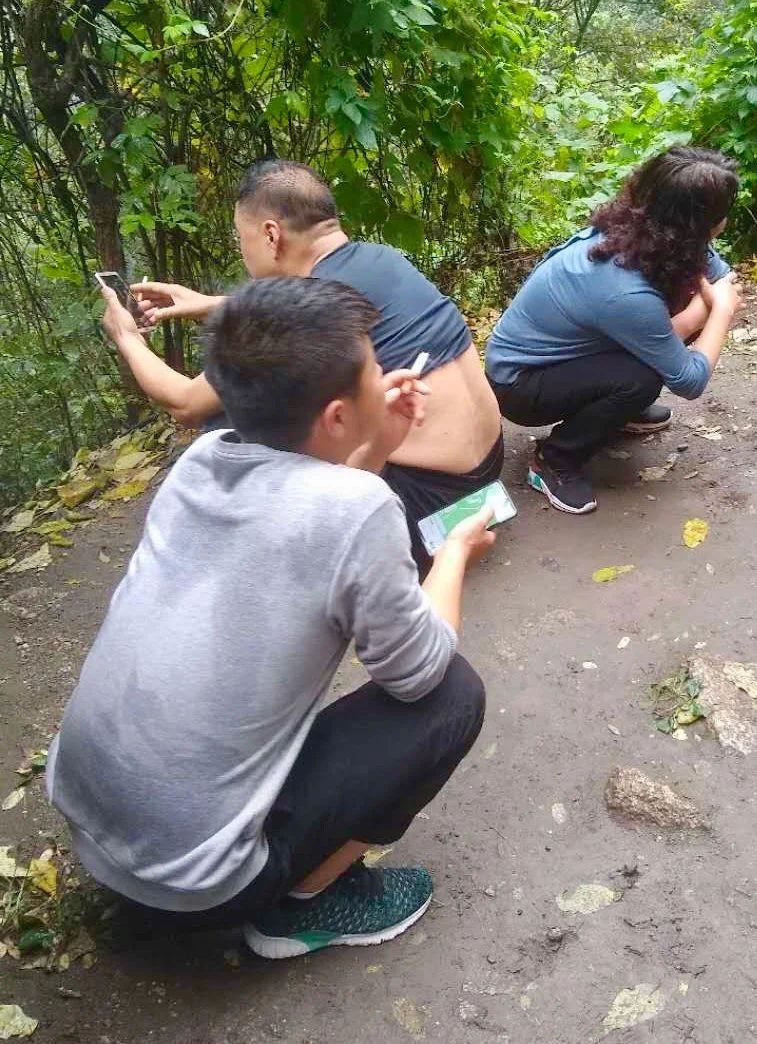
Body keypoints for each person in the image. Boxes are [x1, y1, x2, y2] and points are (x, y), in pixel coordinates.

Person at [47, 276, 495, 959]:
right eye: (376, 370)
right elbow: (420, 671)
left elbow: (312, 513)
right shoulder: (359, 512)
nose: (388, 378)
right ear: (337, 417)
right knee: (456, 696)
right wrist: (455, 552)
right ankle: (301, 907)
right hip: (201, 885)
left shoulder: (200, 461)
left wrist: (373, 448)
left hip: (97, 831)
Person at [115, 160, 503, 572]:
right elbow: (316, 306)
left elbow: (185, 403)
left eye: (240, 237)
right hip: (484, 477)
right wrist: (205, 302)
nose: (241, 248)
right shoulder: (379, 260)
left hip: (423, 505)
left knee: (228, 418)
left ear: (270, 235)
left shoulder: (306, 308)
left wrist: (126, 336)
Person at [484, 146, 744, 515]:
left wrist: (706, 300)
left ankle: (615, 415)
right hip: (520, 384)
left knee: (663, 336)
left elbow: (717, 273)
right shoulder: (623, 287)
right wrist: (718, 310)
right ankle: (554, 460)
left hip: (567, 358)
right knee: (641, 376)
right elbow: (689, 381)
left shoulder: (646, 232)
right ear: (704, 224)